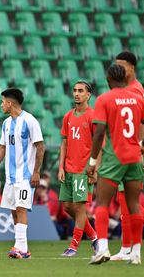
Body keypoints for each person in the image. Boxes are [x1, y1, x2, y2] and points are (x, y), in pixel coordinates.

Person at [86, 64, 144, 265]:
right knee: (134, 205)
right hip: (134, 157)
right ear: (126, 78)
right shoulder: (138, 99)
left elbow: (98, 133)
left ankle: (103, 249)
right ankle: (136, 253)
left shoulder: (104, 99)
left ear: (108, 80)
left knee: (102, 204)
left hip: (114, 158)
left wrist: (92, 161)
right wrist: (141, 145)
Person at [112, 52, 144, 261]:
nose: (119, 69)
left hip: (134, 152)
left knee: (129, 199)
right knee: (124, 199)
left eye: (122, 66)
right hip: (126, 151)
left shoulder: (133, 90)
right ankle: (128, 247)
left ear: (132, 67)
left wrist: (141, 148)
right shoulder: (129, 89)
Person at [0, 87, 44, 259]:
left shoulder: (30, 121)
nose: (1, 105)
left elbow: (40, 147)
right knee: (13, 210)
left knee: (21, 208)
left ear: (10, 103)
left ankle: (19, 247)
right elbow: (2, 147)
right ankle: (23, 248)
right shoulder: (6, 123)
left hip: (25, 176)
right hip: (10, 177)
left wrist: (36, 172)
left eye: (3, 102)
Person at [57, 80, 98, 257]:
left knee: (80, 208)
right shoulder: (68, 116)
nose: (76, 93)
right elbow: (64, 143)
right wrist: (60, 167)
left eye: (81, 91)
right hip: (68, 168)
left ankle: (73, 246)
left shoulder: (93, 116)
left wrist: (94, 168)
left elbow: (99, 144)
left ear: (88, 95)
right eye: (75, 90)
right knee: (67, 207)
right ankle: (94, 237)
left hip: (83, 169)